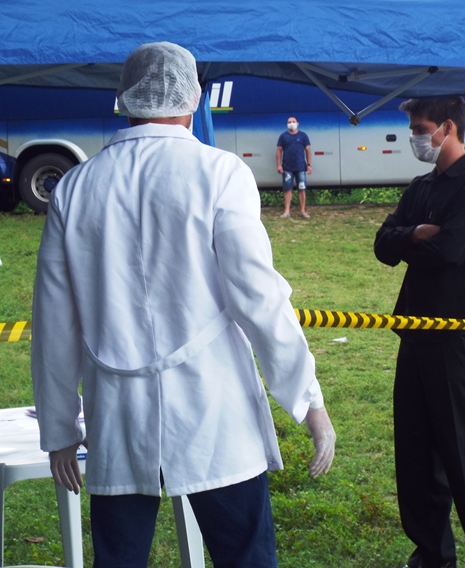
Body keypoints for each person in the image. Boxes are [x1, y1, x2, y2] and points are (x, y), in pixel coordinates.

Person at [31, 42, 336, 567]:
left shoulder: (76, 187)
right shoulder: (220, 173)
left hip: (118, 413)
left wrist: (60, 428)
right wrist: (310, 401)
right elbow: (259, 297)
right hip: (214, 407)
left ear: (124, 98)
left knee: (120, 559)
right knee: (244, 556)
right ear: (194, 98)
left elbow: (54, 322)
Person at [373, 97, 465, 568]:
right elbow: (382, 246)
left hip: (456, 337)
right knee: (415, 457)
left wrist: (414, 239)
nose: (415, 136)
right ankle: (431, 556)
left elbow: (449, 251)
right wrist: (414, 234)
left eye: (420, 127)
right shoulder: (420, 187)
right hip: (414, 333)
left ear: (448, 127)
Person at [276, 116, 312, 218]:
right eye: (289, 122)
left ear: (297, 123)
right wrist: (279, 165)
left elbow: (308, 150)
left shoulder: (303, 136)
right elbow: (279, 151)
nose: (291, 123)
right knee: (287, 189)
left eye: (293, 121)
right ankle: (287, 211)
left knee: (302, 189)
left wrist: (309, 165)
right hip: (287, 168)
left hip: (301, 167)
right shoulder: (283, 136)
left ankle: (302, 211)